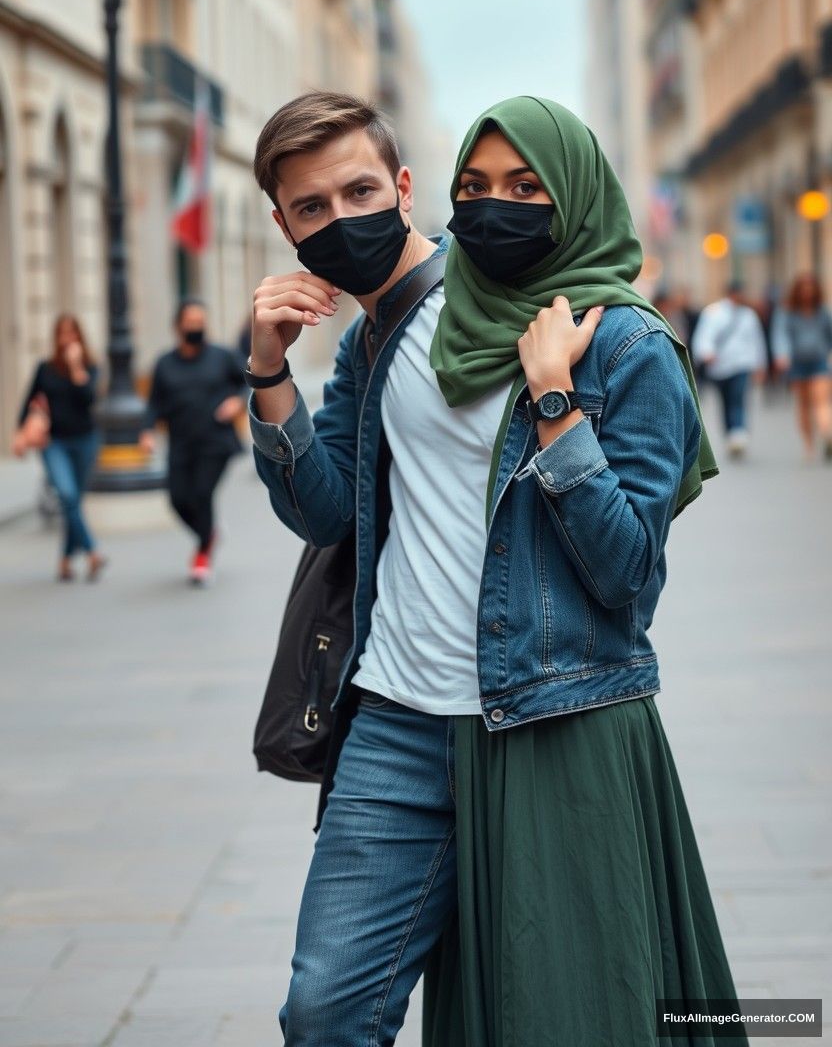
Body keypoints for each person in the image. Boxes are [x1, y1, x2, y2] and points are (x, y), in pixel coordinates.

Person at [248, 90, 745, 1046]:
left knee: (564, 1016)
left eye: (360, 192)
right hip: (394, 720)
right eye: (474, 185)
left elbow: (627, 578)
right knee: (324, 1013)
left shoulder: (627, 345)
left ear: (398, 188)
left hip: (548, 716)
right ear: (284, 222)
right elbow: (321, 511)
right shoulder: (381, 333)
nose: (494, 207)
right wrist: (268, 372)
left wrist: (555, 402)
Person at [139, 298, 246, 584]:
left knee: (201, 493)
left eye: (200, 323)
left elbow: (247, 381)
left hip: (216, 442)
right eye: (191, 323)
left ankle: (202, 554)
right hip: (181, 443)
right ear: (178, 326)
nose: (196, 328)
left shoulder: (222, 356)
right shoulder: (164, 364)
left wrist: (237, 401)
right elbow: (154, 403)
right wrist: (147, 431)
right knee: (177, 498)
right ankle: (208, 532)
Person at [12, 313, 107, 582]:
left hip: (85, 440)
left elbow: (89, 399)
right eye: (62, 333)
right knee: (67, 495)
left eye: (72, 333)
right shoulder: (45, 368)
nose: (67, 339)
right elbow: (28, 403)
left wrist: (76, 367)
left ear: (79, 336)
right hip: (54, 443)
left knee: (73, 501)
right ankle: (92, 552)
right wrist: (19, 435)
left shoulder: (90, 367)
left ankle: (65, 561)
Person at [690, 278, 768, 458]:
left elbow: (756, 341)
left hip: (741, 364)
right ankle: (730, 435)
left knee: (737, 398)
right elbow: (703, 336)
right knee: (725, 401)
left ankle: (738, 433)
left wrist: (760, 365)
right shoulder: (713, 312)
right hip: (719, 366)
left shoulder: (748, 315)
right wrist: (706, 353)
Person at [770, 271, 832, 461]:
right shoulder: (787, 311)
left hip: (819, 362)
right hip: (796, 364)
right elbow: (780, 335)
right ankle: (808, 445)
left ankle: (827, 434)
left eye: (810, 289)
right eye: (804, 289)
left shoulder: (822, 311)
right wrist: (782, 355)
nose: (807, 293)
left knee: (821, 400)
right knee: (803, 405)